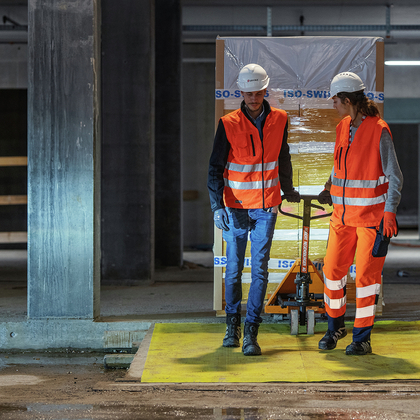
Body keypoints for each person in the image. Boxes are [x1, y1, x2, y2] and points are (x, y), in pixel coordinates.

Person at [207, 63, 300, 356]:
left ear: (265, 91)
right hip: (234, 208)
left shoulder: (280, 119)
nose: (253, 98)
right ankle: (231, 327)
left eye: (257, 93)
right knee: (234, 269)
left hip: (266, 207)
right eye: (248, 93)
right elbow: (214, 168)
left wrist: (289, 190)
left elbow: (282, 158)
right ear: (241, 92)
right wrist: (216, 206)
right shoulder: (228, 123)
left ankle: (251, 333)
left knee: (259, 270)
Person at [317, 71, 403, 355]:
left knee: (366, 278)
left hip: (371, 220)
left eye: (335, 100)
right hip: (341, 218)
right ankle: (335, 327)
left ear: (346, 100)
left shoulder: (379, 129)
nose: (333, 105)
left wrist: (389, 212)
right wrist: (330, 185)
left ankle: (362, 337)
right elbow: (339, 163)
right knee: (332, 271)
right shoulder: (343, 126)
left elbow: (395, 176)